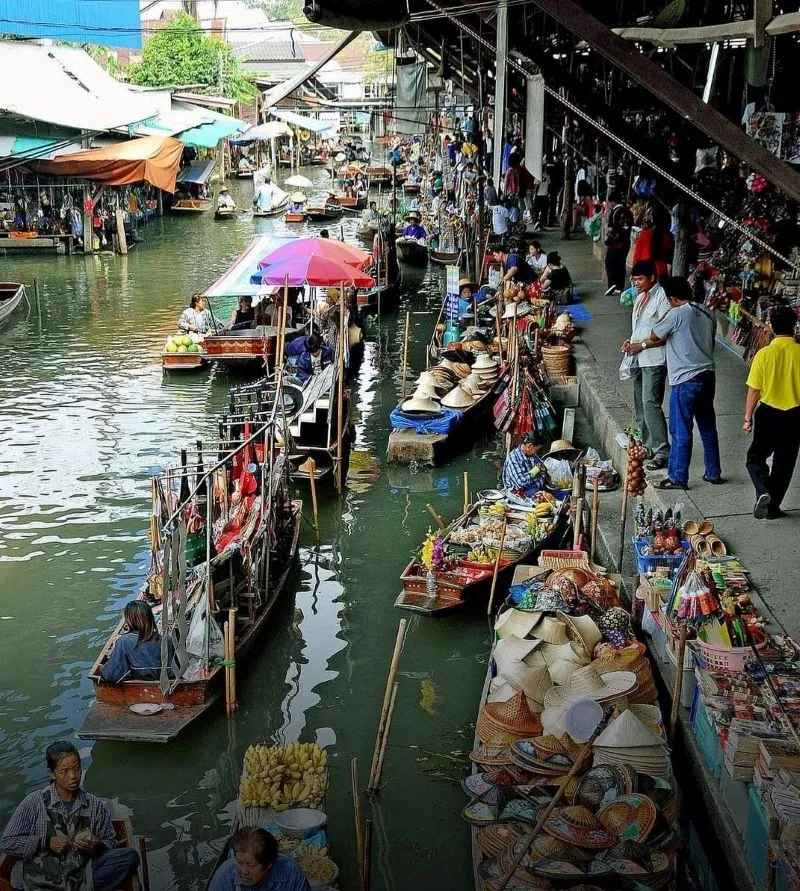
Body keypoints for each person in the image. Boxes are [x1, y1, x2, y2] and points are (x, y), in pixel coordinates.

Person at [1, 741, 141, 891]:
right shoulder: (34, 802)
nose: (73, 776)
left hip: (83, 874)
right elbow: (8, 843)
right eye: (64, 771)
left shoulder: (94, 804)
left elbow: (110, 842)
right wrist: (46, 842)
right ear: (51, 773)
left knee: (130, 856)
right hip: (41, 878)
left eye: (77, 768)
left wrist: (96, 845)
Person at [628, 275, 722, 490]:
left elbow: (655, 334)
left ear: (671, 298)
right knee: (708, 427)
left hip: (685, 379)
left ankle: (678, 477)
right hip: (708, 375)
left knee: (680, 431)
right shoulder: (707, 312)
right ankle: (713, 472)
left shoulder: (677, 313)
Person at [744, 304, 800, 519]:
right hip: (795, 416)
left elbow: (754, 391)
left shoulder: (764, 354)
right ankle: (772, 509)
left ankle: (762, 490)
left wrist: (747, 418)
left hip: (769, 414)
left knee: (755, 458)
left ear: (771, 327)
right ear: (794, 327)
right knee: (784, 464)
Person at [620, 261, 671, 470]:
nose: (636, 283)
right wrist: (630, 343)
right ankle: (649, 445)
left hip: (654, 359)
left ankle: (662, 450)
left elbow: (663, 334)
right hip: (639, 359)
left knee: (651, 403)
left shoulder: (663, 299)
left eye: (640, 279)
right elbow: (639, 328)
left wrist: (640, 344)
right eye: (634, 280)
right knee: (640, 404)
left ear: (652, 277)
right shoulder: (640, 298)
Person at [209, 827, 310, 891]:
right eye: (239, 862)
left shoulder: (291, 872)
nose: (244, 871)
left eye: (252, 865)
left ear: (268, 865)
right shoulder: (224, 877)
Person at [100, 601, 171, 683]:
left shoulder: (124, 641)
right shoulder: (167, 639)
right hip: (164, 684)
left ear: (130, 620)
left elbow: (110, 675)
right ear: (150, 618)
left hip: (137, 686)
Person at [631, 203, 674, 279]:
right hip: (661, 272)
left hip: (644, 272)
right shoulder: (668, 236)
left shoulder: (644, 234)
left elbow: (636, 256)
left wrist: (634, 273)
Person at [604, 191, 633, 295]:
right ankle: (620, 286)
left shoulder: (615, 212)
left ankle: (612, 283)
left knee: (610, 263)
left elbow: (611, 229)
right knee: (621, 264)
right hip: (626, 242)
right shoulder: (628, 211)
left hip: (616, 243)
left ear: (612, 202)